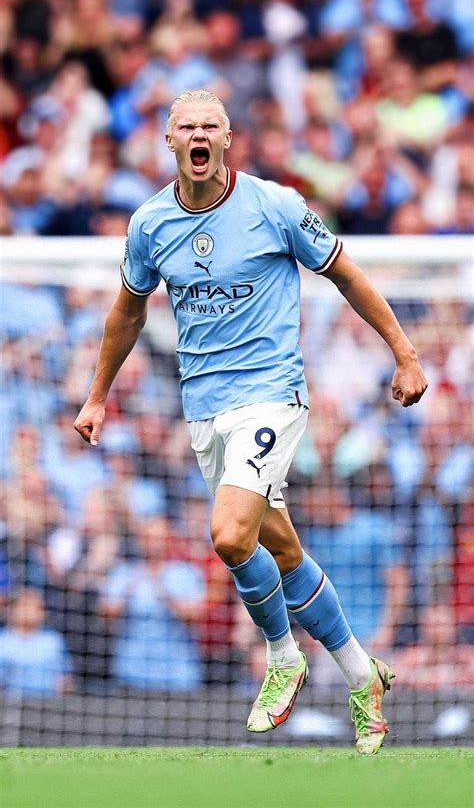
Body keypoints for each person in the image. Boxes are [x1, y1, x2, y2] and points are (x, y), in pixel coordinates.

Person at [74, 89, 428, 755]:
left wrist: (405, 353)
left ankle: (283, 656)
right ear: (169, 141)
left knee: (230, 535)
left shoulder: (275, 205)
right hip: (204, 410)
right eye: (187, 126)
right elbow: (127, 313)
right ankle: (362, 673)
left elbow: (347, 275)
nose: (199, 135)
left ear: (228, 138)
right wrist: (97, 395)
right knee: (282, 551)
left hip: (271, 395)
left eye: (210, 125)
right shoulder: (150, 224)